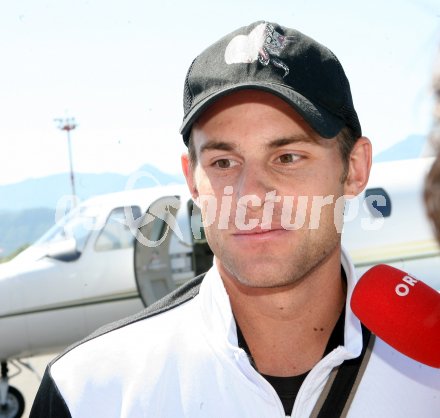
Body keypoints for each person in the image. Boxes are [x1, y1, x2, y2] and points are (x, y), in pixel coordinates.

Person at [30, 21, 440, 418]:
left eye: (287, 157)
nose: (251, 196)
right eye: (224, 162)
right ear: (193, 180)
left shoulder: (430, 366)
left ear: (354, 169)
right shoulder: (87, 391)